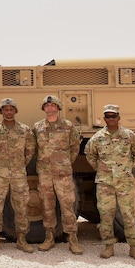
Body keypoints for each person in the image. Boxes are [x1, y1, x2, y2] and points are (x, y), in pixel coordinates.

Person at [84, 104, 135, 260]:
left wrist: (129, 167)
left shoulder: (128, 135)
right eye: (108, 116)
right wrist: (100, 169)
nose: (111, 119)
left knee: (128, 215)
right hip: (105, 183)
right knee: (106, 216)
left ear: (119, 117)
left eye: (114, 116)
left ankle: (134, 247)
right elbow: (89, 154)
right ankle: (109, 247)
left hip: (124, 182)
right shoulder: (97, 138)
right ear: (104, 118)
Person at [0, 97, 36, 253]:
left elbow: (30, 150)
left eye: (11, 109)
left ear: (15, 111)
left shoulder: (24, 130)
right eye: (5, 109)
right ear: (1, 111)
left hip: (19, 174)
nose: (8, 112)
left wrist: (20, 164)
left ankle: (21, 239)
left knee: (21, 207)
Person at [32, 94, 83, 254]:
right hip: (45, 173)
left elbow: (75, 147)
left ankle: (72, 239)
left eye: (53, 105)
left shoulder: (68, 126)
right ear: (44, 109)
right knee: (47, 206)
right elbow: (34, 148)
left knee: (67, 206)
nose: (50, 108)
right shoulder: (38, 127)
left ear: (58, 107)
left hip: (63, 174)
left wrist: (65, 162)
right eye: (47, 106)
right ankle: (49, 238)